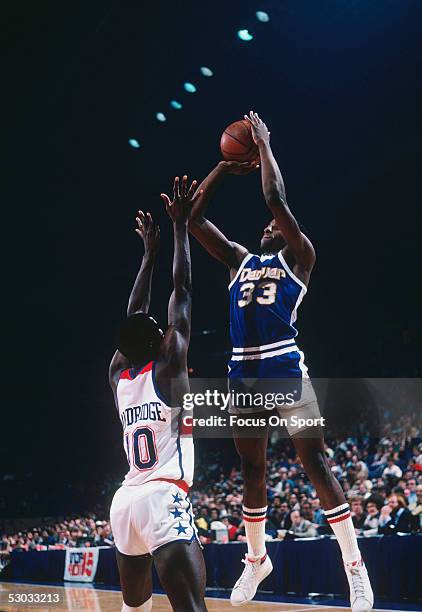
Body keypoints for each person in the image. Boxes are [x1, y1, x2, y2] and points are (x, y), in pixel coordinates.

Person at [189, 111, 373, 610]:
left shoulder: (300, 257)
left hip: (283, 366)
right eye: (267, 226)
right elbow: (193, 220)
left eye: (278, 225)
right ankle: (256, 560)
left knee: (313, 461)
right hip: (242, 371)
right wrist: (224, 168)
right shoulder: (238, 260)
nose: (269, 224)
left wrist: (264, 146)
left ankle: (354, 569)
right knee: (252, 466)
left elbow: (275, 198)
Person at [109, 177, 207, 612]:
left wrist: (147, 255)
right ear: (157, 341)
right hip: (162, 494)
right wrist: (181, 229)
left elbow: (135, 316)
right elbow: (182, 294)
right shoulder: (169, 365)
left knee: (135, 607)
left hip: (124, 502)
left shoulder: (118, 376)